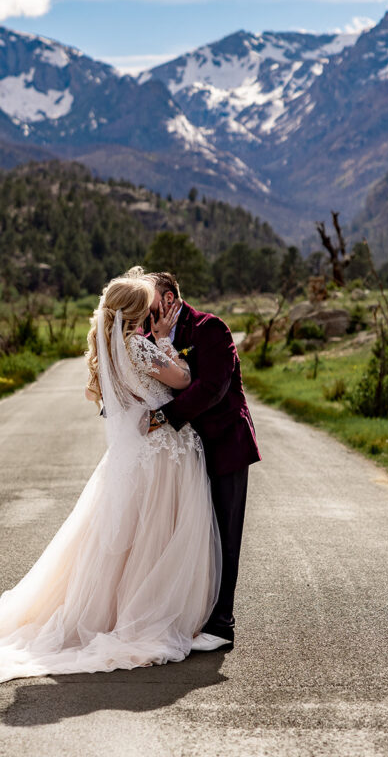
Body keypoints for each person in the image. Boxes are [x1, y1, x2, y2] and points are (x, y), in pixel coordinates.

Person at [0, 275, 221, 683]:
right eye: (149, 307)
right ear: (137, 313)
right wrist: (165, 339)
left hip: (140, 455)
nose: (155, 312)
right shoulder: (139, 345)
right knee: (154, 540)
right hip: (159, 456)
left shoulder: (112, 350)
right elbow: (185, 380)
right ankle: (150, 616)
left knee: (132, 543)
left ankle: (125, 613)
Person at [144, 269, 261, 652]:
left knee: (226, 535)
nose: (146, 311)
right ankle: (189, 615)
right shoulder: (150, 339)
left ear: (169, 299)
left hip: (225, 443)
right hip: (182, 457)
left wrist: (161, 418)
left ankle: (222, 623)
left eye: (150, 301)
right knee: (191, 535)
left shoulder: (212, 329)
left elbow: (212, 388)